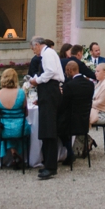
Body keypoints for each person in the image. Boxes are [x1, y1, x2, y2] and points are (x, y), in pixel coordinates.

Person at [30, 36, 65, 179]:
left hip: (50, 90)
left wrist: (36, 80)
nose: (34, 52)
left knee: (49, 128)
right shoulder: (48, 54)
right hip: (48, 92)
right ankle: (48, 163)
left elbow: (50, 72)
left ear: (37, 45)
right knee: (46, 127)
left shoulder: (47, 54)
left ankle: (51, 166)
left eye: (33, 48)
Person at [0, 67, 29, 166]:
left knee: (6, 127)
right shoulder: (21, 93)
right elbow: (26, 113)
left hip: (4, 130)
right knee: (21, 128)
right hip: (20, 129)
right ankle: (19, 155)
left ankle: (13, 153)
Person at [60, 59, 95, 162]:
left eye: (66, 71)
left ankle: (68, 152)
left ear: (70, 70)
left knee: (54, 126)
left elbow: (63, 105)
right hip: (84, 120)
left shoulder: (69, 85)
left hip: (71, 123)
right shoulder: (90, 84)